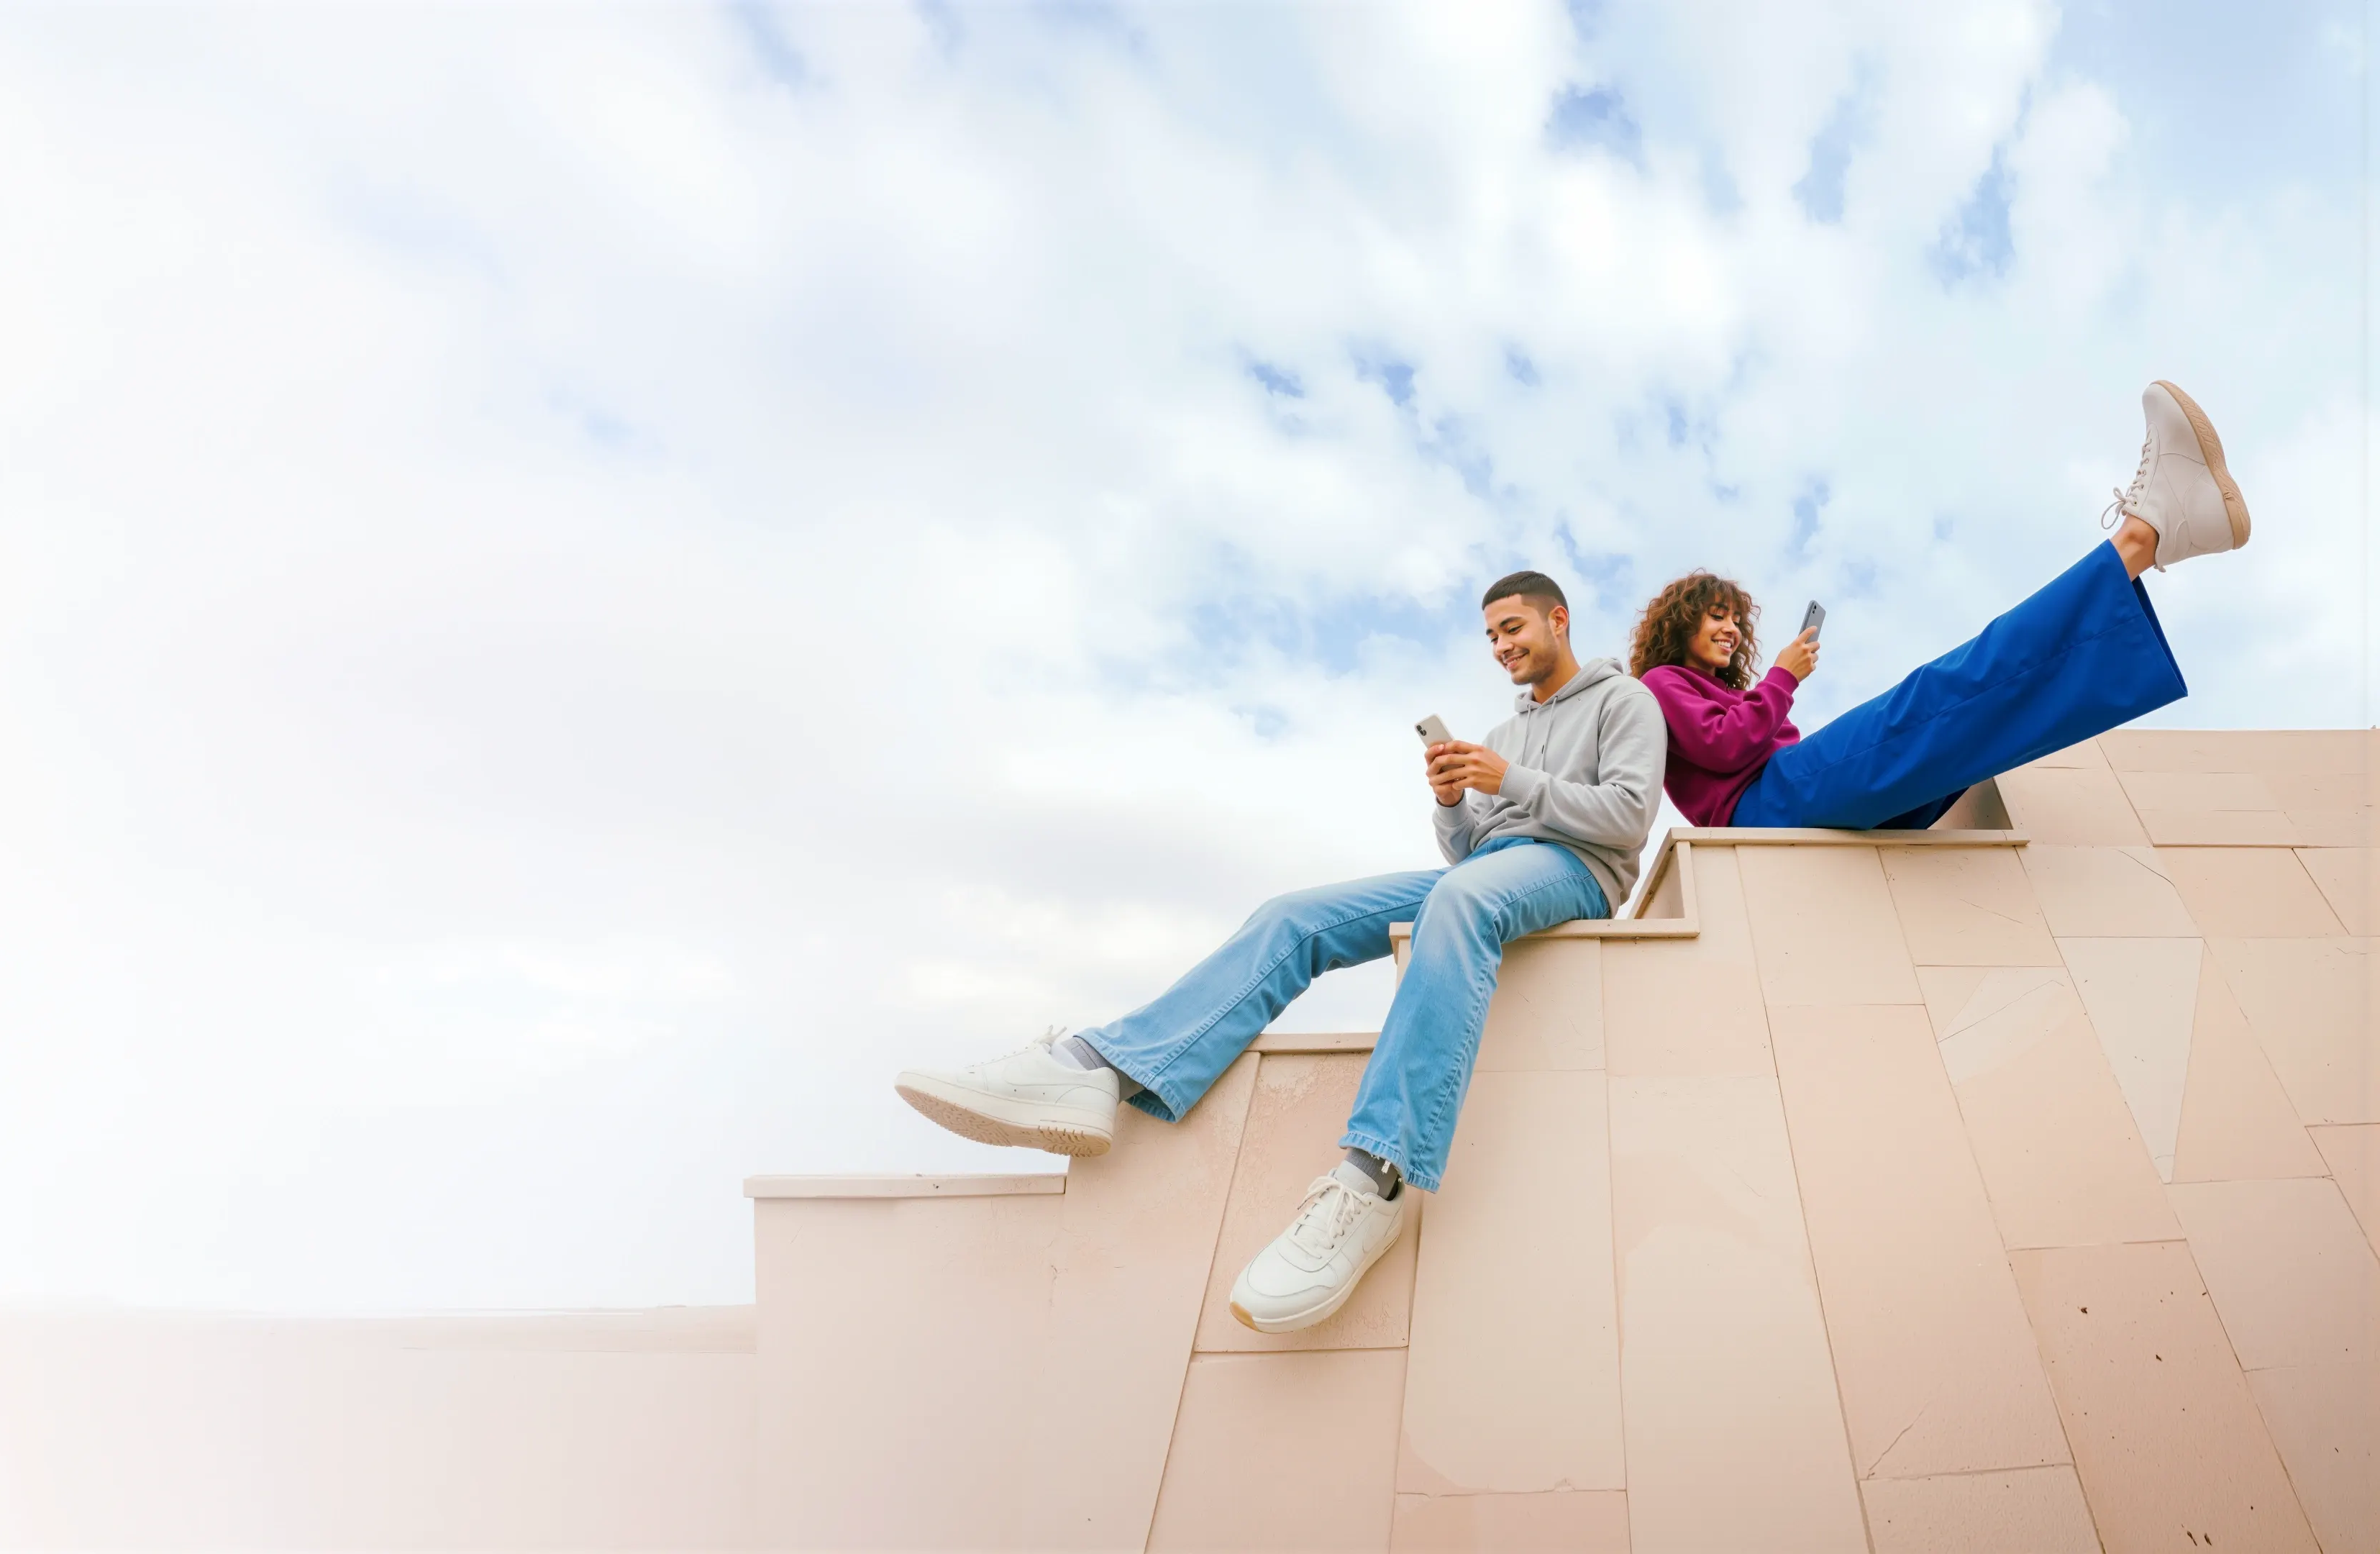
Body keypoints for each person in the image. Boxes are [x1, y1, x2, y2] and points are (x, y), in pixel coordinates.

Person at [894, 573, 1664, 1334]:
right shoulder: (1503, 734)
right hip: (1489, 874)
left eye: (1513, 629)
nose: (1500, 647)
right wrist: (1454, 802)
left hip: (1576, 869)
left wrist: (1514, 781)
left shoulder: (1623, 702)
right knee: (1295, 914)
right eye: (1491, 636)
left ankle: (1375, 1179)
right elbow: (1469, 858)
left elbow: (1629, 818)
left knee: (1462, 903)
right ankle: (1099, 1067)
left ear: (1558, 621)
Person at [1632, 381, 2248, 830]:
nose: (1732, 629)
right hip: (1768, 805)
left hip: (1786, 799)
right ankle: (2143, 536)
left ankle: (2161, 534)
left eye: (1736, 618)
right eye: (1715, 616)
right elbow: (1724, 748)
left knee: (1973, 732)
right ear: (1679, 623)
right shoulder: (1661, 683)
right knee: (1931, 699)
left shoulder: (1727, 692)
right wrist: (1783, 680)